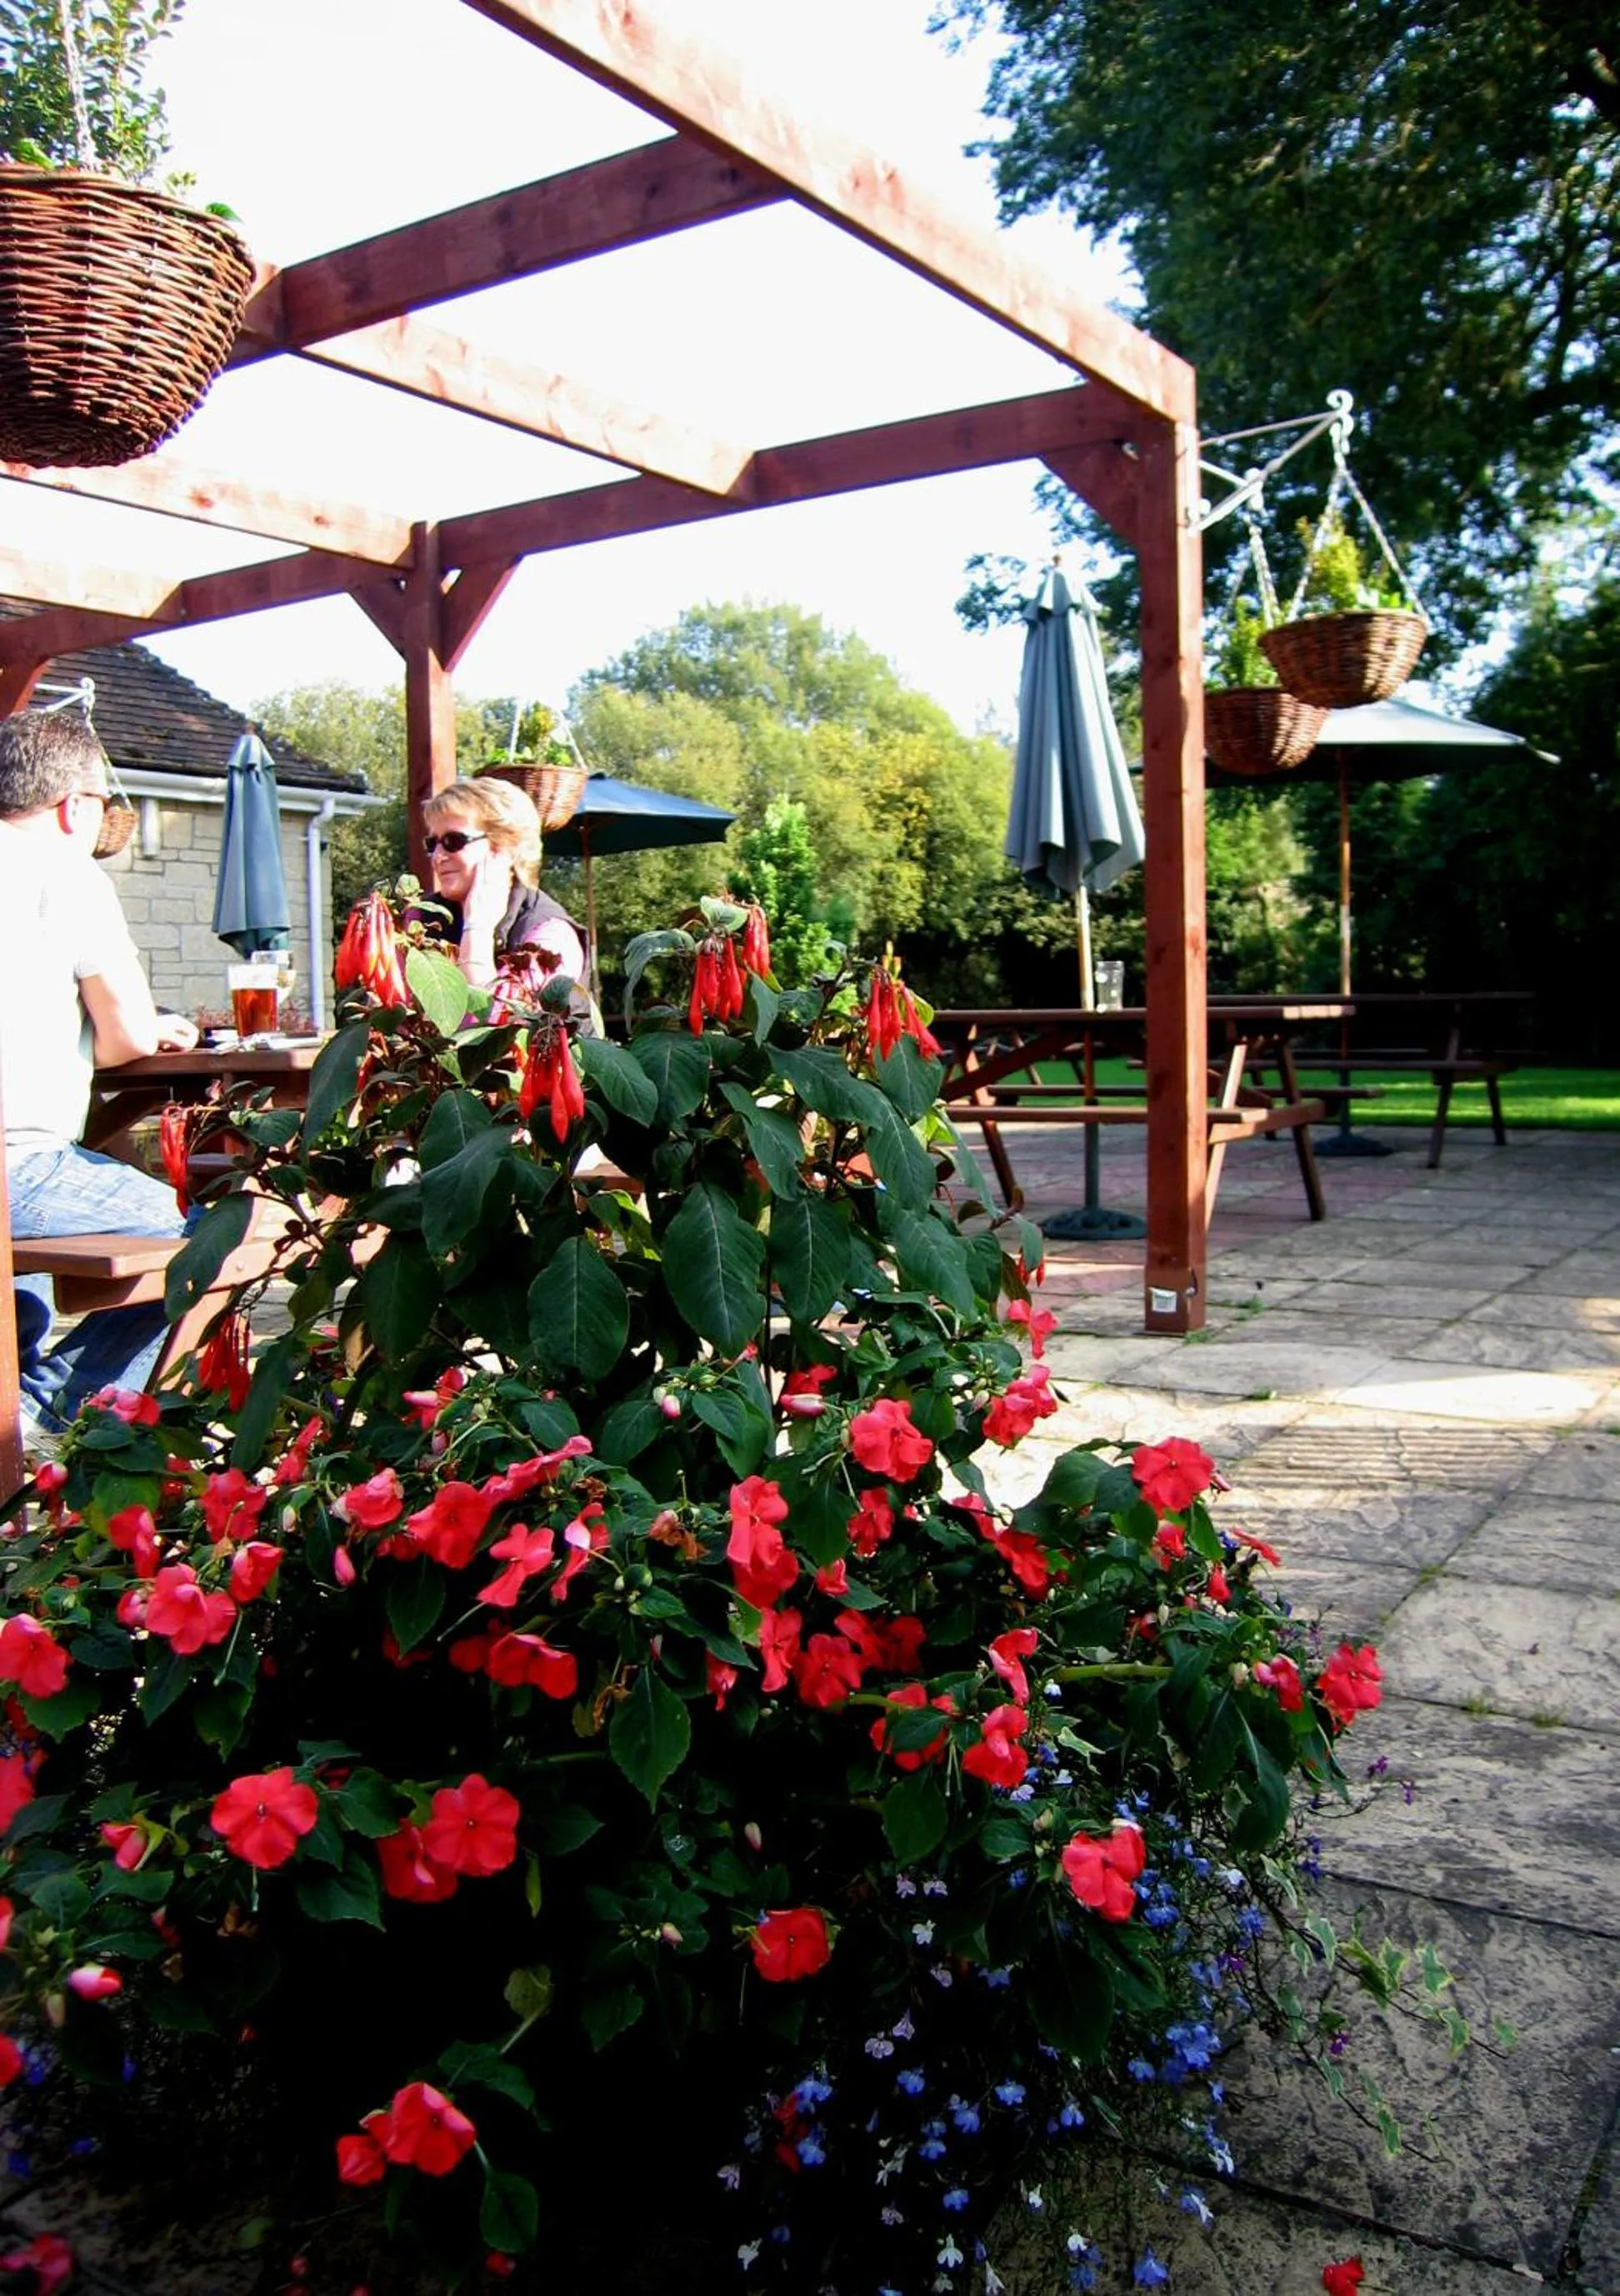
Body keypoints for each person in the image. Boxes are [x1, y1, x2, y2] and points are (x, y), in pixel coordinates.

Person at [0, 708, 199, 1442]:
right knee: (212, 1240)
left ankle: (23, 1400)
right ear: (75, 805)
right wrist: (155, 1031)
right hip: (19, 1169)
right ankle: (60, 1416)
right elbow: (124, 1038)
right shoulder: (64, 873)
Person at [419, 776, 588, 996]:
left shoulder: (549, 936)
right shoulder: (424, 918)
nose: (438, 856)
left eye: (453, 841)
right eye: (432, 844)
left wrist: (477, 928)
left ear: (506, 848)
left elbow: (491, 1021)